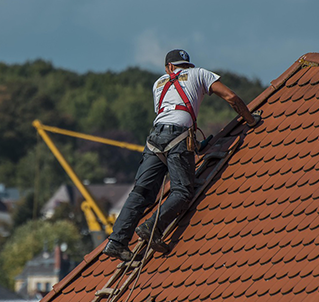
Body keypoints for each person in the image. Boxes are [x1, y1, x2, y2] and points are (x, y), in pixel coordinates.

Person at [102, 49, 262, 261]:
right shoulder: (199, 73)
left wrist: (192, 145)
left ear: (169, 67)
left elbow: (169, 114)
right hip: (178, 137)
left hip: (154, 140)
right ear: (186, 65)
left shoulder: (158, 84)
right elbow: (231, 97)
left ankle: (116, 241)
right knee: (183, 191)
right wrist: (251, 120)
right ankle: (152, 227)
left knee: (140, 193)